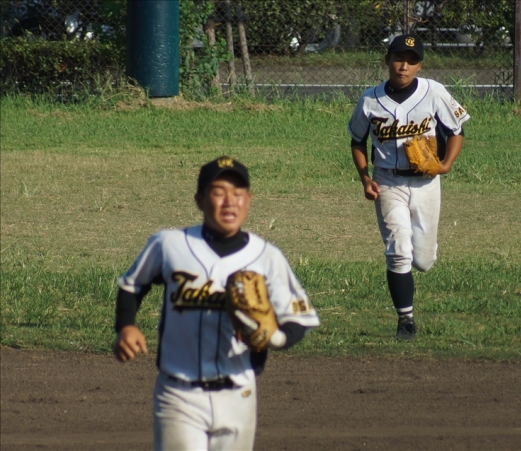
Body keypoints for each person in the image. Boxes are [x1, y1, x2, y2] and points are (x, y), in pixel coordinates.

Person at [113, 156, 320, 451]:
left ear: (249, 200)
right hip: (179, 394)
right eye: (218, 192)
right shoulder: (169, 244)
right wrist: (126, 326)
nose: (229, 201)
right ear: (199, 200)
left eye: (238, 193)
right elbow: (132, 284)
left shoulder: (266, 256)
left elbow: (299, 317)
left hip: (239, 394)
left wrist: (277, 337)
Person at [347, 34, 470, 340]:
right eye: (399, 59)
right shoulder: (370, 99)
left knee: (423, 261)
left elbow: (456, 131)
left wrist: (446, 165)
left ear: (420, 66)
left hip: (427, 182)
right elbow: (357, 141)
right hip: (387, 180)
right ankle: (406, 320)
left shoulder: (434, 92)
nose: (404, 66)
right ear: (387, 61)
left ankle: (423, 257)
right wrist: (365, 178)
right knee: (398, 250)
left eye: (412, 61)